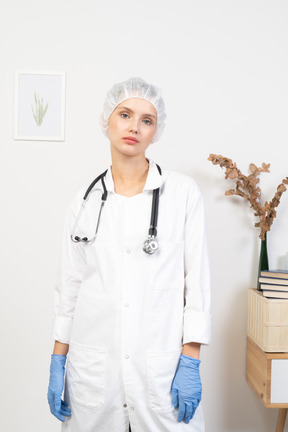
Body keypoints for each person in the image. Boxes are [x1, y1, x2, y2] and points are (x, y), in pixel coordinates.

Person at [47, 77, 211, 432]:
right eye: (125, 114)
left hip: (160, 371)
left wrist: (191, 359)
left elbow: (195, 284)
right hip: (94, 370)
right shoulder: (84, 201)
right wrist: (58, 357)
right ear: (107, 119)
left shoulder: (182, 194)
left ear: (156, 131)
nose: (134, 127)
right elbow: (70, 285)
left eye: (147, 120)